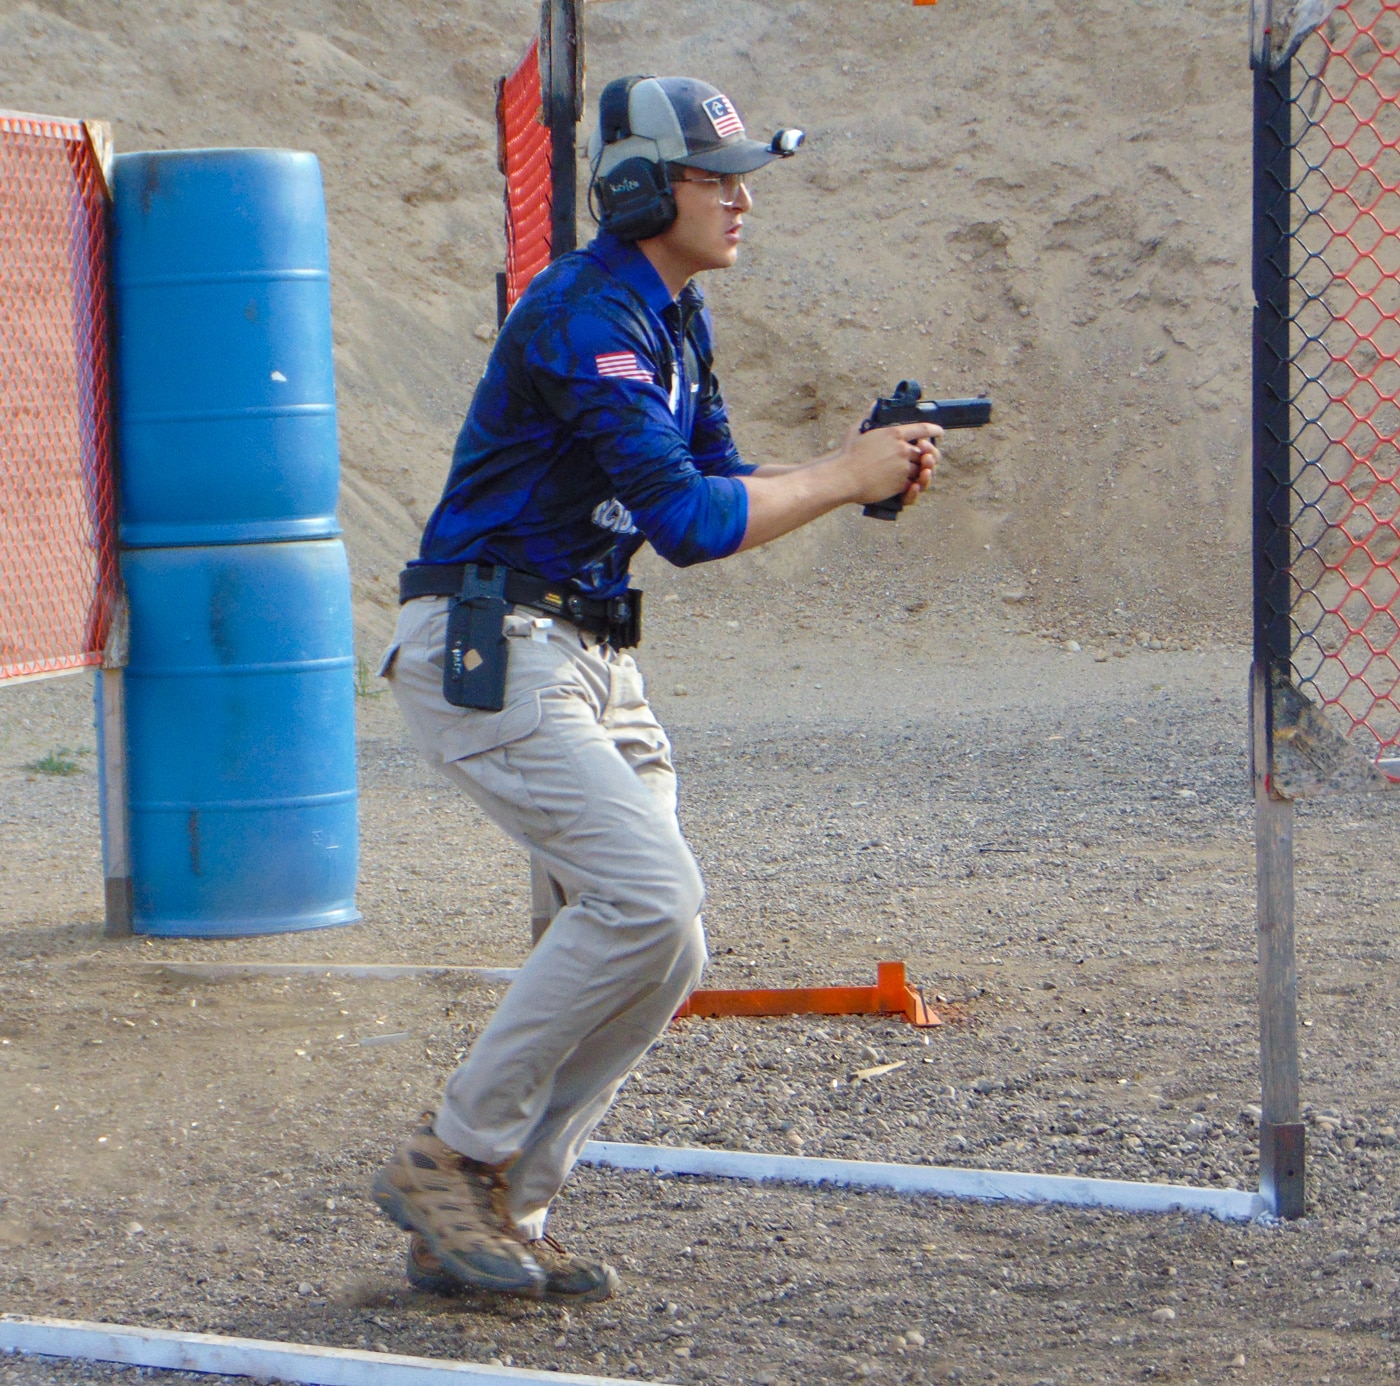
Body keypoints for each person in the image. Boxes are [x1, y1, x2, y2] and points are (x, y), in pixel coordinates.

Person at [371, 74, 940, 1304]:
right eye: (714, 177)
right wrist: (841, 476)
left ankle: (492, 1213)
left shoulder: (670, 319)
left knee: (665, 941)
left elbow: (722, 480)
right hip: (495, 641)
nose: (740, 201)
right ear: (635, 188)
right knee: (645, 896)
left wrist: (858, 467)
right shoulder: (590, 314)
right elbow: (688, 522)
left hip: (587, 650)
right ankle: (447, 1156)